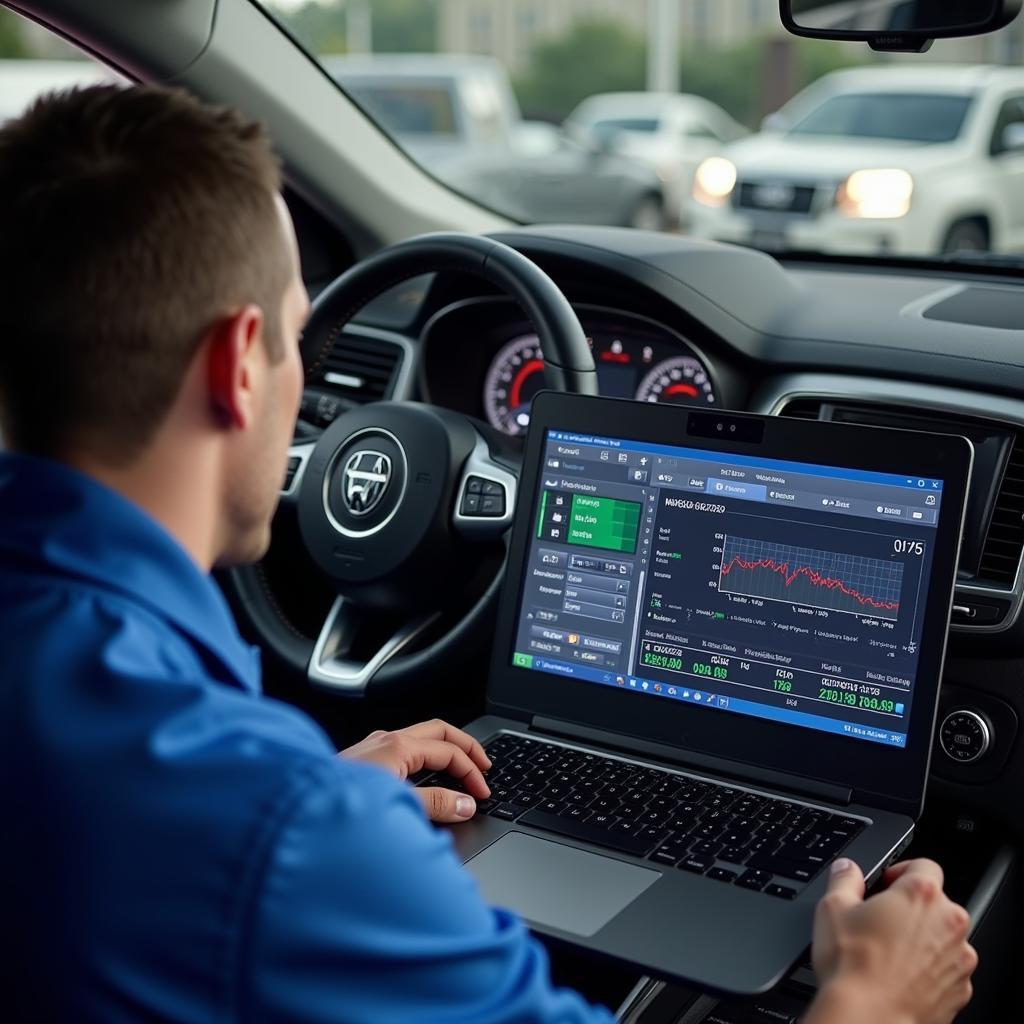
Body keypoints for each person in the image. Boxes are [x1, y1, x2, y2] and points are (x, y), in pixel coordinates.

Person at [0, 84, 976, 1024]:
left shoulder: (229, 791)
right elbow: (230, 843)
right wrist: (874, 1002)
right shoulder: (288, 837)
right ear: (233, 365)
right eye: (300, 337)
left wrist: (314, 798)